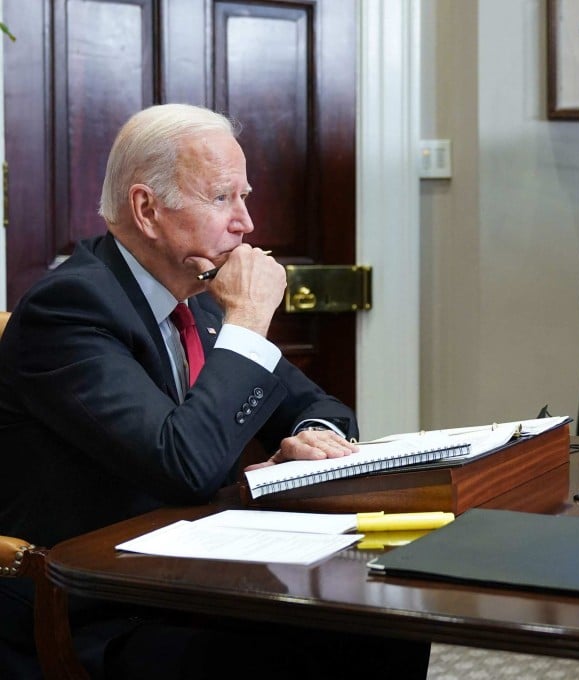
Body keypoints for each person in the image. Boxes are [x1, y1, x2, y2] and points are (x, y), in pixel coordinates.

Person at [0, 104, 430, 678]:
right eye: (223, 197)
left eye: (244, 196)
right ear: (147, 209)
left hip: (193, 581)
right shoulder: (70, 309)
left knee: (386, 616)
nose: (247, 223)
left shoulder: (196, 300)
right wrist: (250, 317)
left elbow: (324, 408)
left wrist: (313, 437)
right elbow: (182, 465)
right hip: (100, 608)